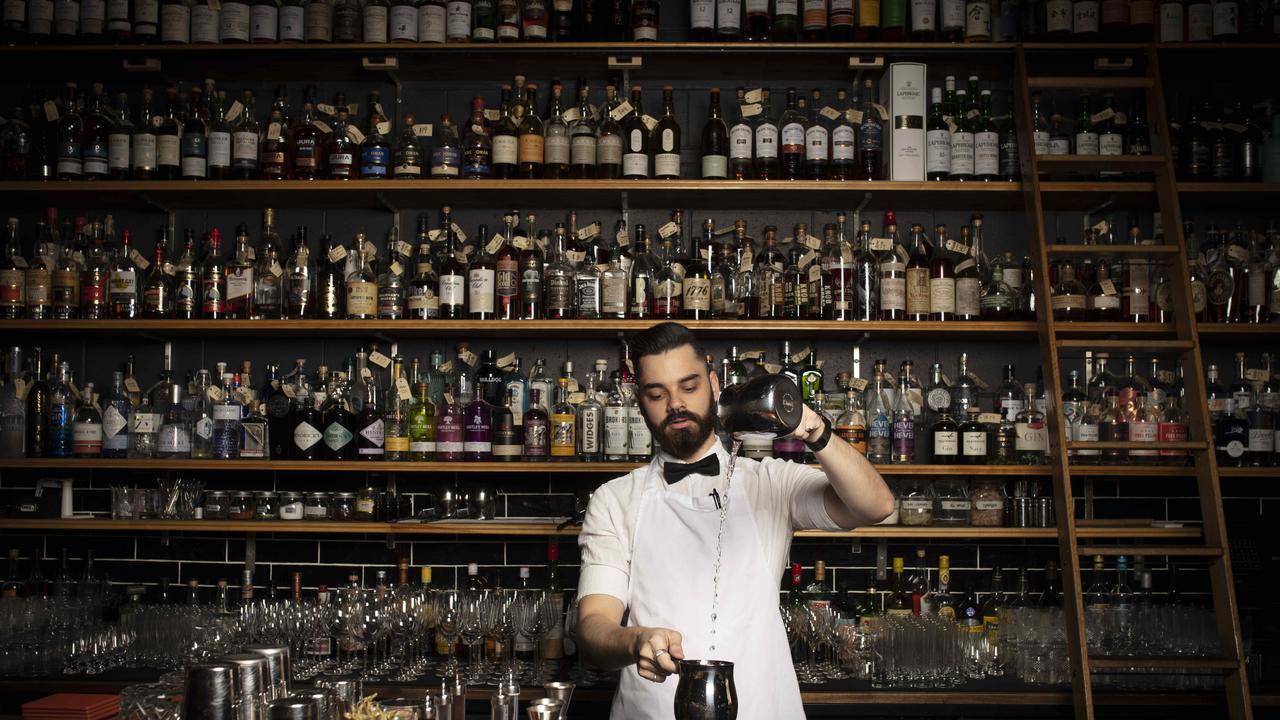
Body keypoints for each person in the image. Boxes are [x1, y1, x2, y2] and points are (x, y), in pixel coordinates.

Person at [575, 322, 894, 719]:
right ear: (640, 402)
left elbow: (876, 506)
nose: (675, 404)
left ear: (713, 384)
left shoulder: (771, 482)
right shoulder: (615, 499)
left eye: (689, 387)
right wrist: (634, 640)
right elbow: (592, 629)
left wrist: (813, 429)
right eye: (658, 394)